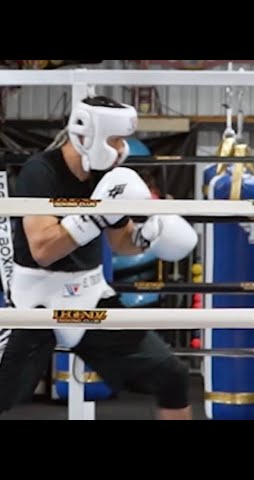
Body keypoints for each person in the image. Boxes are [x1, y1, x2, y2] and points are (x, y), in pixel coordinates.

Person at [0, 95, 198, 420]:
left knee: (171, 375)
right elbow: (43, 250)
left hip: (89, 297)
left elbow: (120, 242)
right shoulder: (41, 171)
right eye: (116, 139)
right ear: (87, 135)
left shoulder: (108, 176)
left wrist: (147, 237)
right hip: (37, 302)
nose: (122, 148)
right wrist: (93, 216)